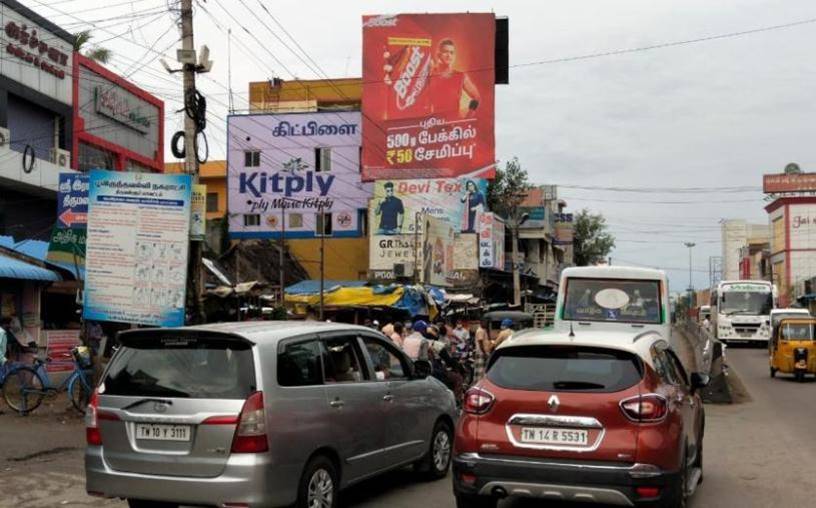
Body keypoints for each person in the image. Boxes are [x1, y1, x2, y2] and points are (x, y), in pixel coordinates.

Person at [428, 39, 481, 118]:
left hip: (452, 125)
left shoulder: (461, 76)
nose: (449, 55)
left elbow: (476, 97)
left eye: (451, 53)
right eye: (445, 52)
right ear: (438, 54)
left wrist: (469, 116)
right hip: (431, 123)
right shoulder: (429, 73)